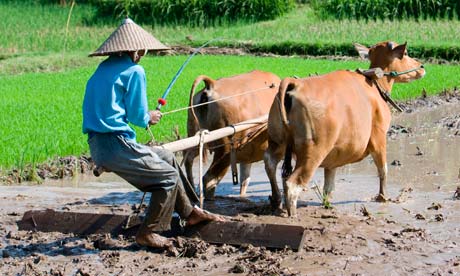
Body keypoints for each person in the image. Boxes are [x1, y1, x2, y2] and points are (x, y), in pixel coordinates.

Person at [82, 18, 223, 249]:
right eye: (143, 50)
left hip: (98, 144)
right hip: (116, 145)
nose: (144, 54)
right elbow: (139, 117)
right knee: (166, 178)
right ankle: (149, 232)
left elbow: (112, 108)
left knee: (167, 158)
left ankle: (190, 212)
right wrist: (150, 116)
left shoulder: (103, 68)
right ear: (137, 49)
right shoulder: (135, 70)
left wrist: (143, 115)